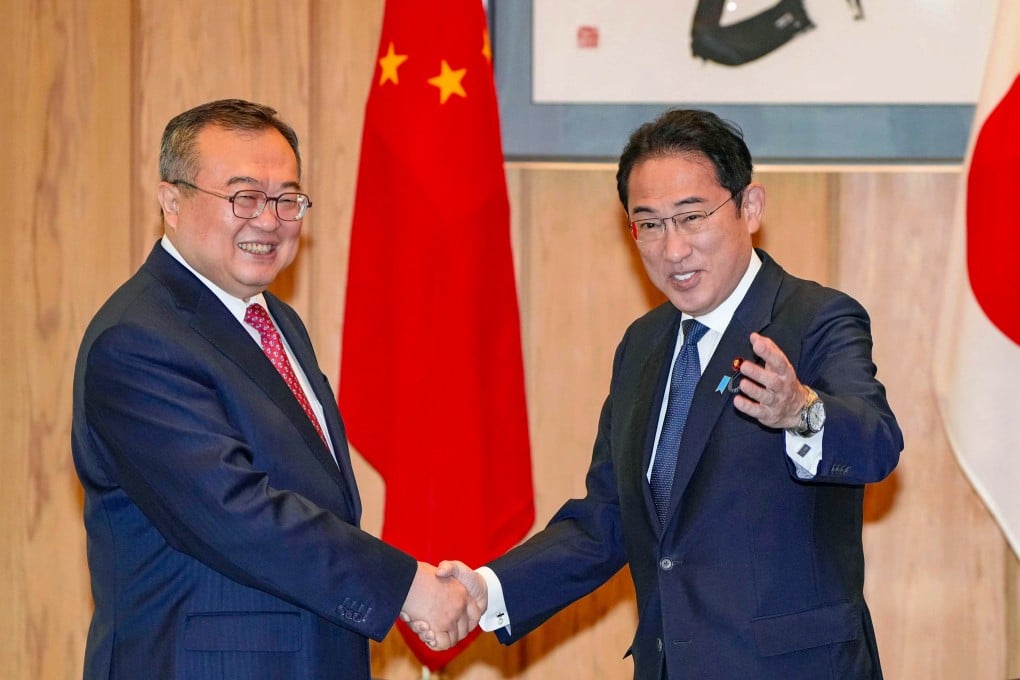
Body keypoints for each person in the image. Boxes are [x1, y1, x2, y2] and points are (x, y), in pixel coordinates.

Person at [421, 109, 903, 678]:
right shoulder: (643, 345)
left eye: (691, 216)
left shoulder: (816, 318)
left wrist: (802, 411)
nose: (672, 250)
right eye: (648, 224)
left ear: (750, 207)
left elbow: (876, 444)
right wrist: (486, 589)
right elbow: (607, 519)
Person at [71, 99, 480, 679]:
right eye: (243, 197)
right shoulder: (138, 341)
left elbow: (316, 498)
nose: (269, 220)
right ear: (171, 202)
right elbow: (236, 513)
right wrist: (405, 586)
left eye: (287, 199)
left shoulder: (274, 320)